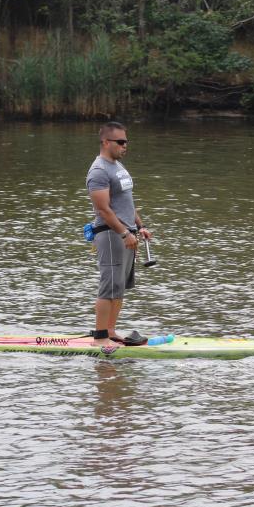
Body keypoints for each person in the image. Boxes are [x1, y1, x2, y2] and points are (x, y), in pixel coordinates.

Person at [86, 121, 153, 348]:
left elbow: (126, 202)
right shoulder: (99, 171)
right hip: (110, 234)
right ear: (106, 142)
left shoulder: (118, 167)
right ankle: (100, 338)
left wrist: (140, 226)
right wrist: (124, 233)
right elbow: (103, 210)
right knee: (109, 285)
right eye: (121, 142)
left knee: (119, 286)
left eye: (126, 141)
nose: (125, 146)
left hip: (127, 233)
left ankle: (111, 331)